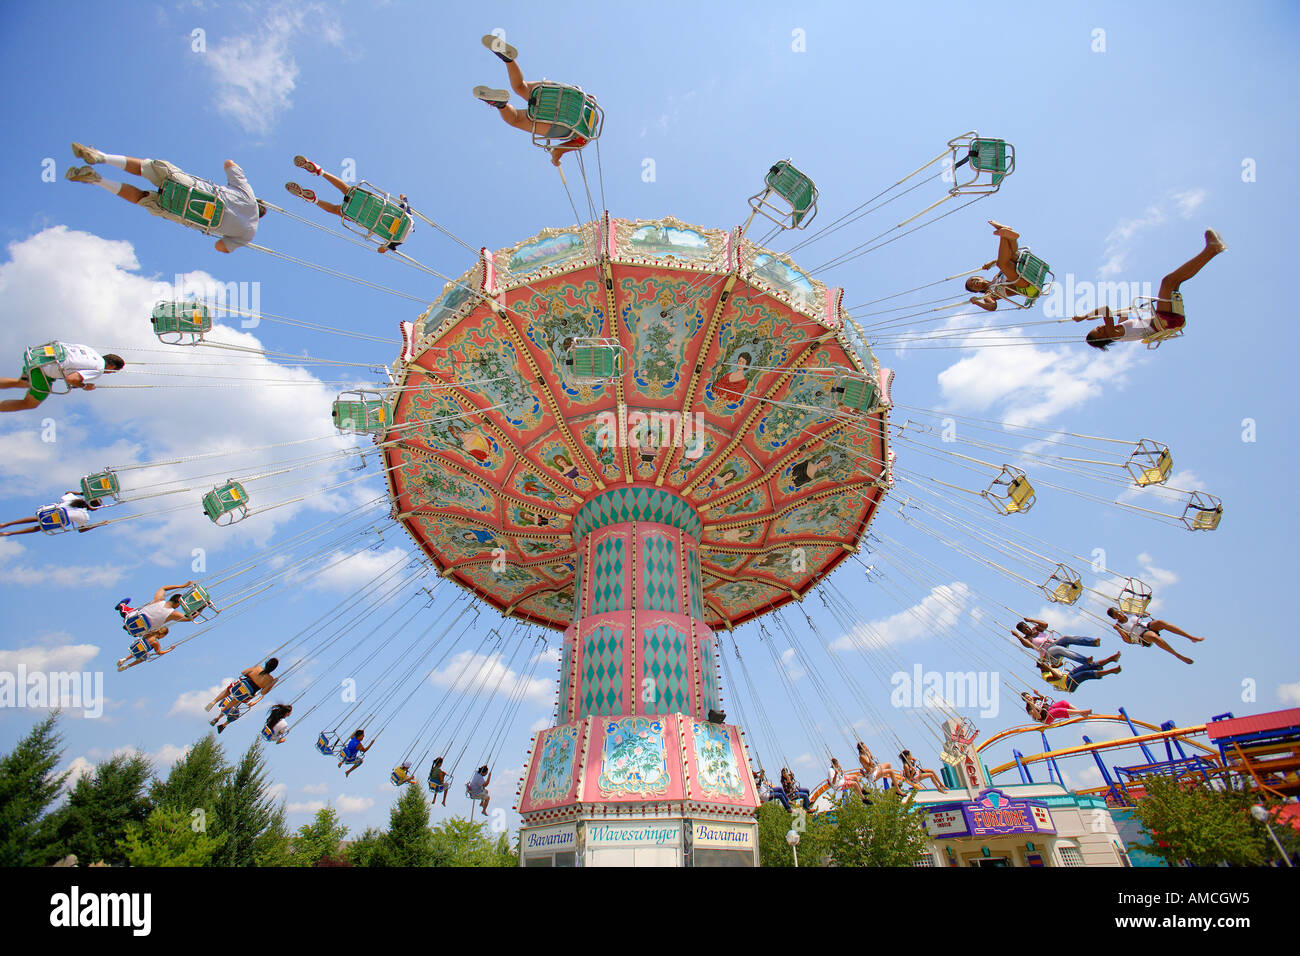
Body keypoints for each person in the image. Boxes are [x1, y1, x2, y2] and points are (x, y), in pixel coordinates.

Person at [64, 143, 266, 253]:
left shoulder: (248, 195)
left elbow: (229, 163)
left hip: (187, 185)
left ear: (258, 202)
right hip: (179, 211)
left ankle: (101, 157)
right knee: (141, 198)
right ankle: (97, 180)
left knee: (146, 168)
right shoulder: (249, 235)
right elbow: (220, 247)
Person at [1074, 230, 1226, 349]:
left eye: (1097, 327)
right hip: (1164, 321)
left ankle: (1213, 250)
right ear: (1104, 338)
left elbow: (1125, 312)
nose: (1100, 326)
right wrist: (1085, 316)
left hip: (1166, 320)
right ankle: (1212, 250)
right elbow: (1105, 310)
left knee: (1172, 282)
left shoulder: (1120, 330)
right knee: (1168, 281)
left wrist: (1104, 314)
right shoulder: (1114, 334)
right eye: (1099, 331)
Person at [472, 36, 592, 168]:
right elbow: (558, 151)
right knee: (515, 119)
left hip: (563, 95)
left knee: (520, 86)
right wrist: (555, 158)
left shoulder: (589, 103)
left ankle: (508, 59)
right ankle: (501, 105)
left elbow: (586, 95)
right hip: (562, 123)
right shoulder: (583, 138)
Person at [285, 156, 411, 254]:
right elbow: (380, 250)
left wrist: (403, 197)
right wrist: (389, 248)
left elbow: (403, 198)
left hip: (368, 201)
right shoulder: (395, 241)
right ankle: (314, 200)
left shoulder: (406, 215)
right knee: (336, 210)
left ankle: (320, 171)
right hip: (359, 214)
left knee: (346, 189)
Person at [1, 343, 125, 414]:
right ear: (111, 366)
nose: (109, 373)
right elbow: (71, 379)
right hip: (42, 370)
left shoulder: (89, 350)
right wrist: (85, 386)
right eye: (112, 372)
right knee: (30, 403)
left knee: (23, 382)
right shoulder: (99, 368)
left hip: (38, 355)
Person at [965, 221, 1039, 311]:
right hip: (1026, 286)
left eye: (973, 279)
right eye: (972, 285)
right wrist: (977, 302)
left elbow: (1004, 259)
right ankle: (1005, 235)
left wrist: (991, 263)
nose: (973, 282)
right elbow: (992, 307)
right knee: (1002, 263)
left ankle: (1007, 235)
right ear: (976, 291)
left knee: (1009, 257)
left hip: (1026, 271)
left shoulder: (996, 277)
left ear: (981, 277)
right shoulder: (988, 294)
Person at [1107, 606, 1203, 665]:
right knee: (1153, 637)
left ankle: (1190, 637)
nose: (1119, 615)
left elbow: (1146, 614)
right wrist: (1119, 630)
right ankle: (1178, 655)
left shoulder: (1129, 612)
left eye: (1118, 612)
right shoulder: (1118, 625)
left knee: (1161, 623)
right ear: (1114, 618)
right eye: (1116, 615)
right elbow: (1127, 640)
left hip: (1147, 625)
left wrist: (1142, 612)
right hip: (1142, 635)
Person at [206, 658, 278, 730]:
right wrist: (273, 682)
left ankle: (214, 701)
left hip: (239, 686)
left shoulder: (257, 668)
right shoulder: (270, 679)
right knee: (234, 702)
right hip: (246, 695)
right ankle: (220, 715)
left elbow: (243, 672)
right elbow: (263, 692)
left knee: (228, 690)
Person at [0, 493, 108, 536]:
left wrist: (81, 494)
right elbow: (81, 529)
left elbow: (67, 492)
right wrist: (99, 524)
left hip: (46, 512)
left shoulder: (73, 499)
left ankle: (7, 524)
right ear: (94, 508)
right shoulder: (84, 516)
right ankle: (10, 533)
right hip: (53, 521)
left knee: (38, 518)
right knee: (41, 526)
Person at [1013, 618, 1102, 666]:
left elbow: (1045, 625)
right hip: (1048, 653)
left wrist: (1030, 620)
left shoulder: (1036, 629)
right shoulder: (1027, 639)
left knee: (1066, 638)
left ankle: (1093, 642)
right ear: (1022, 632)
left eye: (1027, 627)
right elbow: (1026, 645)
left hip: (1053, 643)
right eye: (1025, 629)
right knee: (1059, 649)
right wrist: (1018, 636)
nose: (1027, 629)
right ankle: (1086, 660)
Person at [1038, 653, 1121, 693]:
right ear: (1042, 667)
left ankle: (1111, 659)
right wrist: (1050, 668)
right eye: (1045, 664)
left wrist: (1053, 665)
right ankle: (1112, 671)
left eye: (1047, 663)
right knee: (1085, 674)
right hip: (1068, 684)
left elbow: (1060, 664)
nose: (1048, 664)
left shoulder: (1050, 669)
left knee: (1087, 665)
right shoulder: (1045, 676)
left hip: (1069, 676)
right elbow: (1058, 677)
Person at [1021, 691, 1092, 724]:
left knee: (1063, 702)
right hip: (1046, 717)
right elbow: (1039, 717)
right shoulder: (1029, 708)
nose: (1030, 698)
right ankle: (1082, 712)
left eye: (1029, 696)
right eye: (1027, 698)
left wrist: (1038, 694)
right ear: (1025, 700)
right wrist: (1033, 706)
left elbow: (1045, 699)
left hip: (1050, 708)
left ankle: (1082, 714)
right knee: (1059, 710)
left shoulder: (1035, 698)